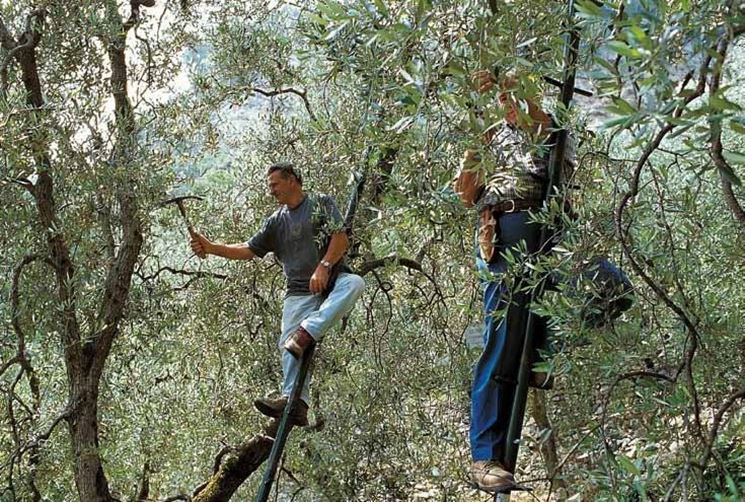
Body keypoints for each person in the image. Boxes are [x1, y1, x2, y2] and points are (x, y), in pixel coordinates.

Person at [454, 69, 573, 492]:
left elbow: (546, 130)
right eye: (506, 95)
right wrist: (474, 139)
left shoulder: (548, 127)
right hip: (501, 236)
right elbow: (466, 193)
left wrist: (510, 86)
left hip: (548, 235)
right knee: (501, 343)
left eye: (518, 93)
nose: (509, 101)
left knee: (604, 285)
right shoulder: (487, 138)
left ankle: (544, 358)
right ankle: (484, 456)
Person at [190, 162, 365, 426]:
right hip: (298, 292)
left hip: (332, 279)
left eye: (274, 184)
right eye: (269, 186)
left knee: (355, 283)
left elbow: (341, 239)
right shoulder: (276, 222)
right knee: (288, 344)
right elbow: (248, 249)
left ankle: (308, 331)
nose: (271, 190)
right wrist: (211, 248)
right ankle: (295, 404)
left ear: (292, 180)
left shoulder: (320, 203)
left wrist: (324, 266)